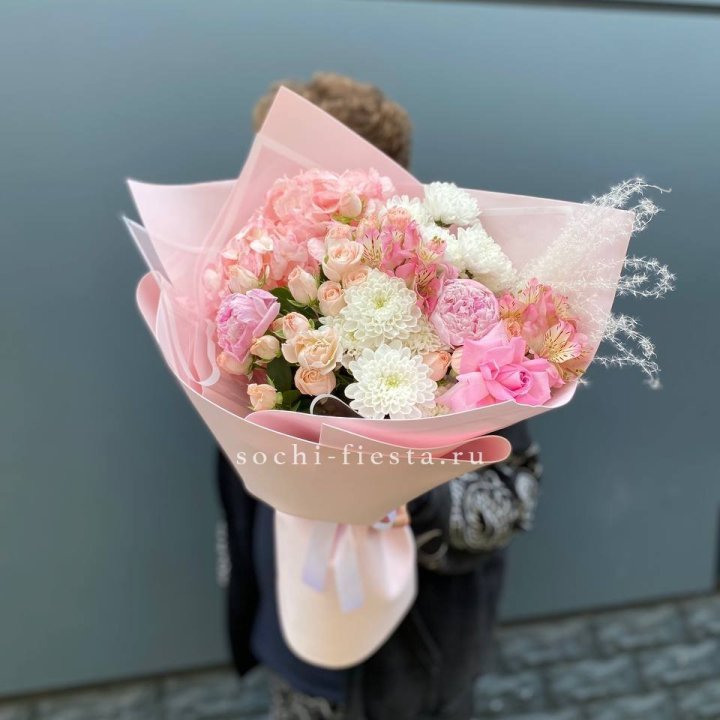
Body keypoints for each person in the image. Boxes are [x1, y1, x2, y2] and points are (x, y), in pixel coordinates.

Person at [216, 73, 542, 720]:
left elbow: (510, 501)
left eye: (299, 180)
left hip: (409, 665)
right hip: (289, 640)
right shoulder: (253, 297)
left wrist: (390, 477)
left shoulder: (463, 318)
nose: (274, 195)